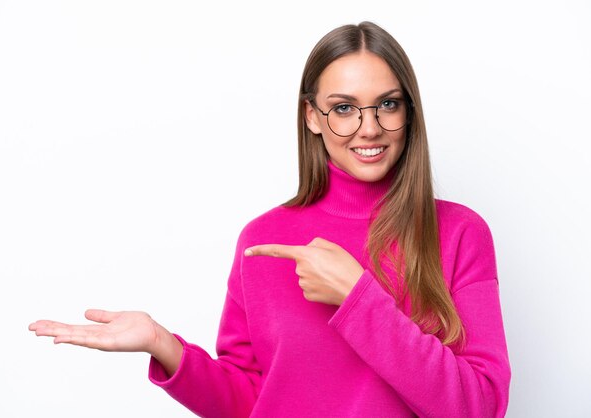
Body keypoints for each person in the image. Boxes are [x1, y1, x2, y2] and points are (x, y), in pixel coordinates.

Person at [29, 21, 511, 417]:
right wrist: (164, 345)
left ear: (409, 110)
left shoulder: (459, 233)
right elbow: (249, 400)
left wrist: (359, 298)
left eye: (388, 104)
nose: (369, 127)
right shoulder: (263, 240)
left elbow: (480, 407)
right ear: (312, 116)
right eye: (343, 108)